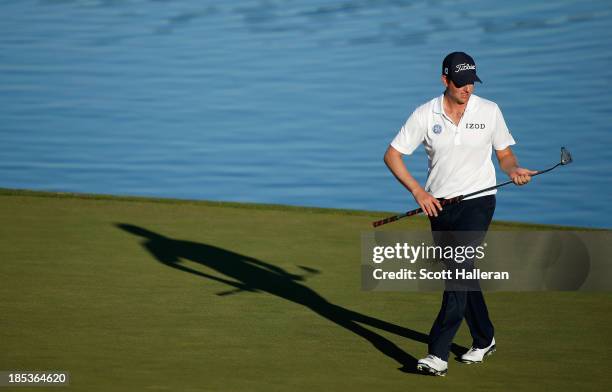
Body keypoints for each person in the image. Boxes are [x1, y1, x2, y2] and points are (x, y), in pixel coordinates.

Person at [383, 52, 536, 376]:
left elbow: (504, 154)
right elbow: (393, 155)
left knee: (457, 273)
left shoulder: (489, 110)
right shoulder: (425, 114)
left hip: (478, 203)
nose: (468, 89)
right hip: (438, 206)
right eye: (461, 83)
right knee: (462, 273)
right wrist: (418, 192)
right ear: (445, 81)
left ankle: (437, 354)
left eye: (471, 82)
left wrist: (513, 170)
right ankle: (484, 337)